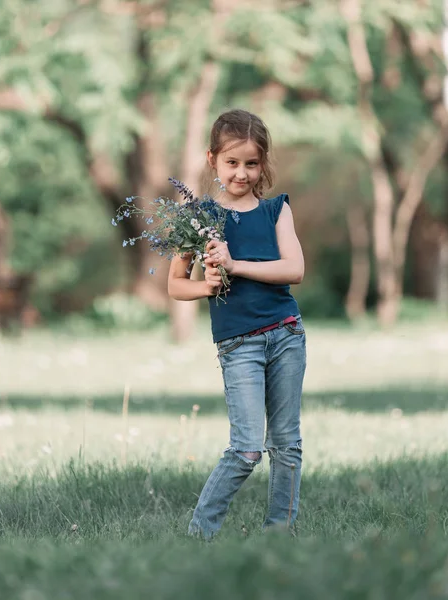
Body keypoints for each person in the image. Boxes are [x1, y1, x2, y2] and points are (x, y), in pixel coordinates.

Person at [168, 108, 306, 540]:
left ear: (262, 163)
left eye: (251, 163)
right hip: (238, 345)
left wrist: (235, 264)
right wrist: (208, 285)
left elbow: (294, 269)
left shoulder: (276, 211)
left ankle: (277, 536)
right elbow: (175, 285)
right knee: (247, 449)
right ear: (213, 160)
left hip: (285, 335)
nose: (241, 173)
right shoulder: (198, 218)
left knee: (285, 444)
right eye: (232, 162)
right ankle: (199, 534)